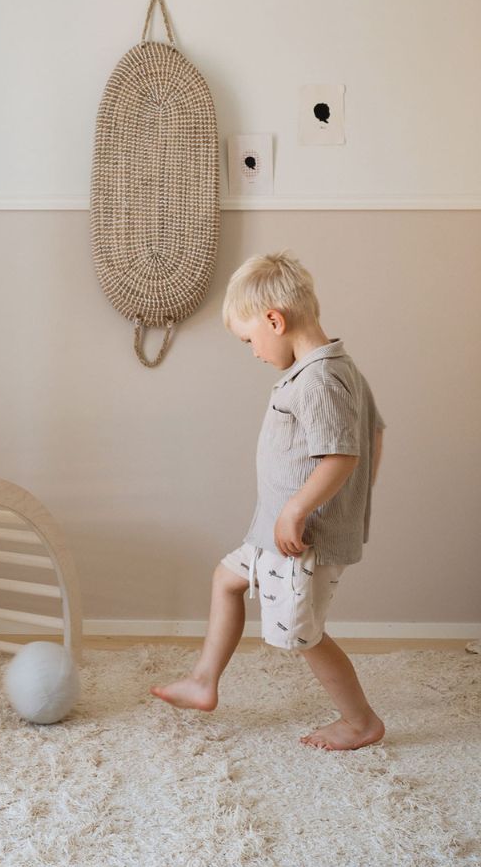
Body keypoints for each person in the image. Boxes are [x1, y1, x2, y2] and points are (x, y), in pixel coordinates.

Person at [151, 251, 386, 750]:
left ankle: (360, 721)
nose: (253, 352)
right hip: (273, 533)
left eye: (249, 340)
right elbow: (375, 435)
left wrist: (299, 510)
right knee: (226, 580)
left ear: (274, 320)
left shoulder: (318, 380)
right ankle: (203, 680)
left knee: (304, 635)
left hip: (300, 540)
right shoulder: (334, 369)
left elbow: (342, 455)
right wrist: (352, 497)